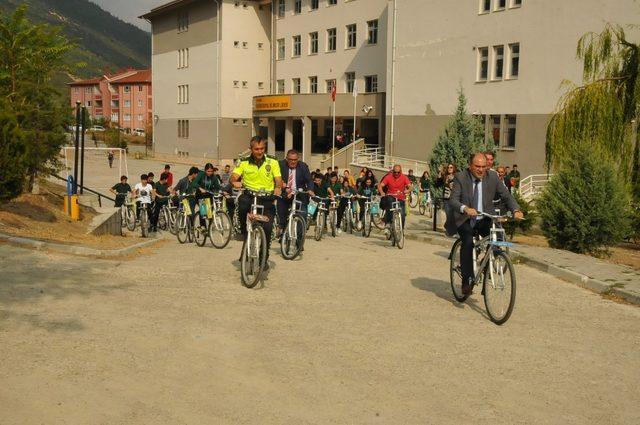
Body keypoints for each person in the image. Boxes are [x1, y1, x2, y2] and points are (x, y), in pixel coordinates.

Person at [446, 153, 524, 295]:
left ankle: (486, 267)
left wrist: (516, 209)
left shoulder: (492, 177)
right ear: (470, 166)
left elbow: (506, 195)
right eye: (477, 166)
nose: (481, 170)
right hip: (465, 219)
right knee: (468, 242)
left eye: (483, 167)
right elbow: (453, 200)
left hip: (484, 217)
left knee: (497, 239)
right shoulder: (461, 177)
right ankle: (466, 279)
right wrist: (465, 209)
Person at [230, 136, 282, 268]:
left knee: (268, 227)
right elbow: (234, 176)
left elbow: (278, 179)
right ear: (251, 149)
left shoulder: (273, 162)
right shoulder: (243, 162)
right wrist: (234, 181)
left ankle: (264, 257)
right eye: (256, 149)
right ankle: (243, 230)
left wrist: (278, 187)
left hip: (267, 198)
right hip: (249, 196)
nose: (259, 152)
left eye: (262, 149)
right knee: (241, 203)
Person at [277, 149, 314, 235]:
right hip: (285, 193)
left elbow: (309, 180)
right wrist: (281, 184)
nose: (293, 162)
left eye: (295, 160)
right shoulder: (281, 165)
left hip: (299, 194)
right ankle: (282, 228)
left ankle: (299, 242)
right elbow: (275, 178)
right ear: (286, 159)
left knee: (303, 215)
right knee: (281, 210)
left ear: (298, 159)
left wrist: (310, 189)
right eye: (291, 159)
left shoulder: (303, 166)